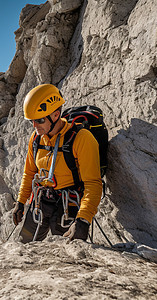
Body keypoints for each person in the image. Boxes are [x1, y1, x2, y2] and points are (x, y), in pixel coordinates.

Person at [12, 84, 102, 242]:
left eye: (39, 120)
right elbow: (29, 172)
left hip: (68, 204)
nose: (34, 125)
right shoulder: (36, 138)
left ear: (55, 115)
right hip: (41, 200)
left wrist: (83, 219)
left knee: (65, 253)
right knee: (24, 244)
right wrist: (20, 202)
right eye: (32, 120)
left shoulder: (81, 139)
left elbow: (93, 184)